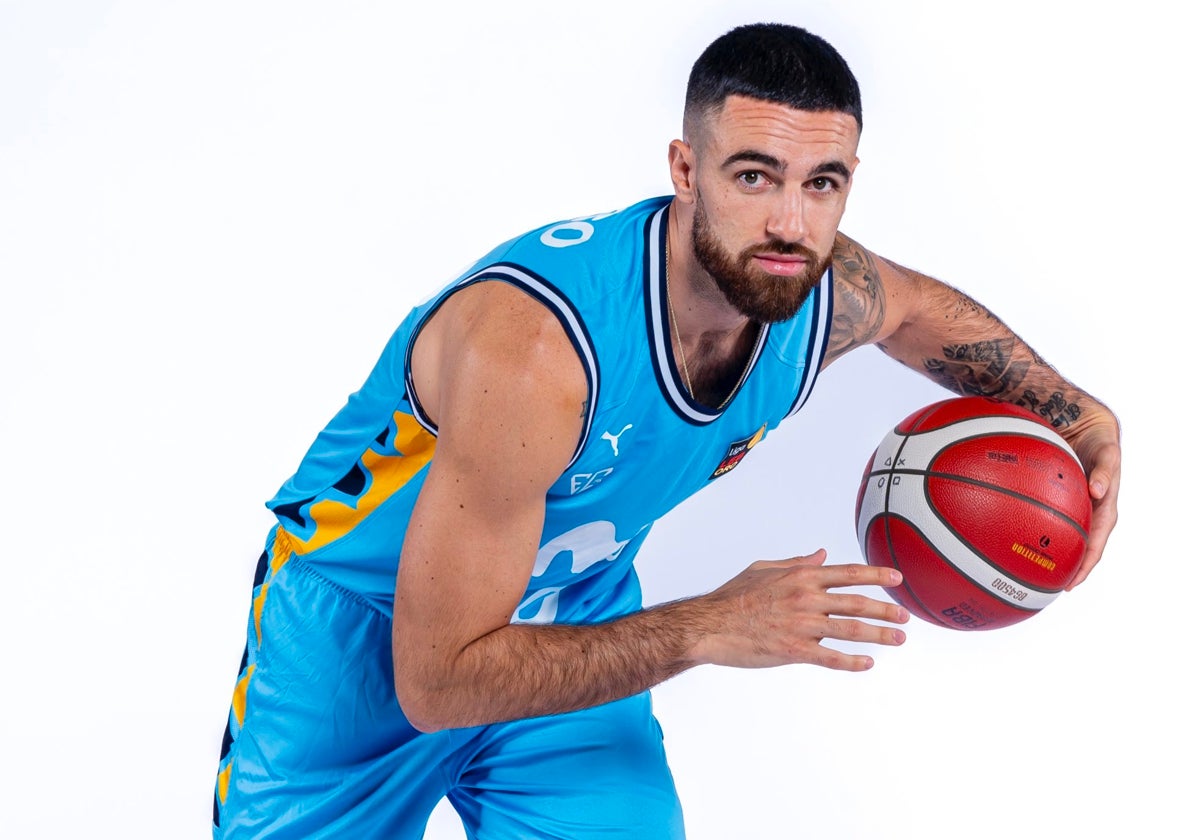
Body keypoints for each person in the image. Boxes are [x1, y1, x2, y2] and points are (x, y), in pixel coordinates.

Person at [212, 21, 1121, 839]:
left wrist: (1076, 413)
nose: (789, 222)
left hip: (571, 612)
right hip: (366, 646)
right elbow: (439, 679)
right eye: (754, 175)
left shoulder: (819, 289)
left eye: (823, 184)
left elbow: (918, 313)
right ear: (685, 171)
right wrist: (707, 627)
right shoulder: (537, 350)